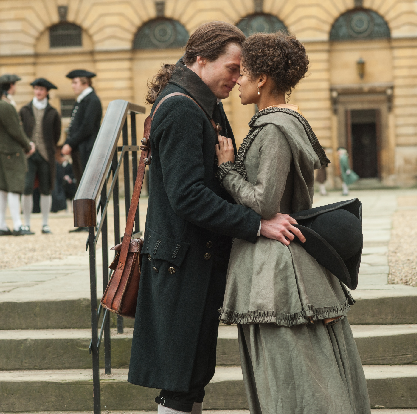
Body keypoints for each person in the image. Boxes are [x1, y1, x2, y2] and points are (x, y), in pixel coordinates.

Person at [127, 21, 305, 414]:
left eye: (241, 70)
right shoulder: (180, 108)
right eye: (232, 68)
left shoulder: (205, 103)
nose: (238, 78)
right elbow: (188, 197)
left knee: (192, 376)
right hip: (180, 261)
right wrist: (257, 224)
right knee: (179, 379)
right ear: (201, 59)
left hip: (195, 258)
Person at [215, 32, 371, 413]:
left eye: (244, 73)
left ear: (262, 79)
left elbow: (265, 202)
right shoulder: (283, 122)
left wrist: (226, 170)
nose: (238, 81)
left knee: (291, 376)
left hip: (277, 269)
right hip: (284, 259)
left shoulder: (273, 129)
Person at [0, 74, 35, 236]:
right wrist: (27, 144)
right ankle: (17, 225)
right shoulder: (5, 105)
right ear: (10, 86)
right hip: (11, 151)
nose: (15, 87)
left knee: (3, 189)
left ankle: (2, 225)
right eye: (14, 85)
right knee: (14, 188)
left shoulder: (2, 104)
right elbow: (15, 130)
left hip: (5, 151)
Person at [61, 69, 102, 232]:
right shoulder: (82, 100)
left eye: (75, 82)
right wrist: (68, 142)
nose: (73, 86)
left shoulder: (92, 100)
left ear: (85, 82)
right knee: (81, 185)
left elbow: (87, 127)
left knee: (90, 185)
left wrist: (70, 143)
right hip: (79, 148)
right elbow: (74, 127)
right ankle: (84, 222)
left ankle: (94, 221)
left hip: (87, 148)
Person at [19, 78, 62, 234]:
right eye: (36, 88)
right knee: (26, 188)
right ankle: (26, 223)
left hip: (46, 155)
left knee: (46, 188)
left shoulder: (53, 112)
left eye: (41, 89)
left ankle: (45, 223)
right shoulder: (24, 110)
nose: (38, 92)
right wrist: (26, 145)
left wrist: (48, 147)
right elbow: (20, 132)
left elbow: (56, 135)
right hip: (28, 155)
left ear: (46, 92)